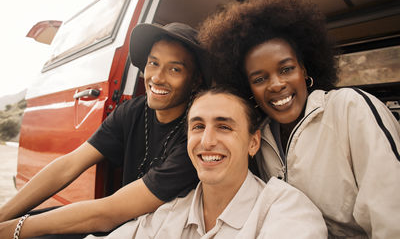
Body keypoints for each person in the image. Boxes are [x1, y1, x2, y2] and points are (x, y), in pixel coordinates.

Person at [198, 0, 400, 238]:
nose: (276, 84)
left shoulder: (350, 108)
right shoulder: (257, 136)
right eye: (260, 78)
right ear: (248, 87)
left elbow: (392, 216)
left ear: (304, 70)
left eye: (286, 69)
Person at [0, 22, 211, 238]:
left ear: (195, 81)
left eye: (174, 69)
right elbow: (69, 164)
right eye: (153, 63)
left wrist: (11, 231)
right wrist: (4, 216)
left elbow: (108, 213)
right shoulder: (132, 111)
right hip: (119, 223)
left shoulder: (197, 137)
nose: (157, 77)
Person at [84, 86, 327, 239]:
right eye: (198, 126)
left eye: (224, 126)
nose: (207, 141)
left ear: (253, 143)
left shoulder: (289, 213)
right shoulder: (170, 213)